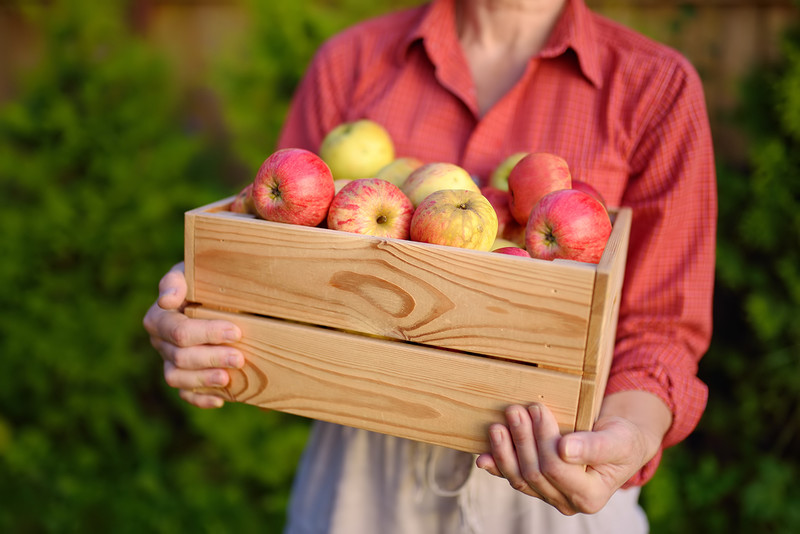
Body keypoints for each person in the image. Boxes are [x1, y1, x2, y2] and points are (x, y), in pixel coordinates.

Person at [143, 0, 716, 531]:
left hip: (548, 474)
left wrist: (629, 436)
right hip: (362, 480)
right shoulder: (352, 61)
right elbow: (283, 247)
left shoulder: (653, 87)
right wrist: (214, 317)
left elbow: (661, 328)